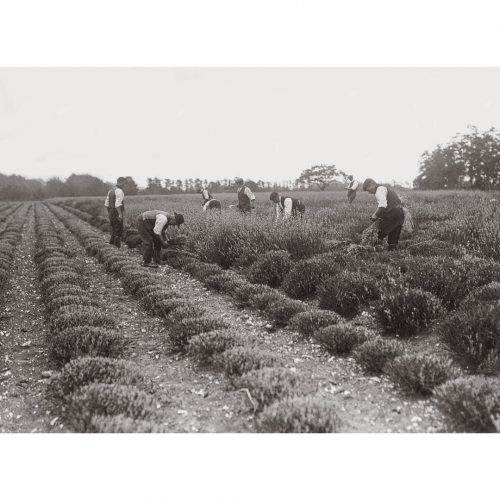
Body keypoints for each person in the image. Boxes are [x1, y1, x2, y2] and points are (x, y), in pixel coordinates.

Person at [362, 178, 405, 251]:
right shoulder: (384, 188)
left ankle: (372, 250)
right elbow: (400, 201)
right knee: (393, 235)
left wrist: (375, 215)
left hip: (393, 214)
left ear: (371, 184)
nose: (369, 192)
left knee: (377, 234)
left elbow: (382, 205)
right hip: (400, 213)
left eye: (368, 189)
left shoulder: (379, 190)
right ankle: (392, 250)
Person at [104, 177, 126, 248]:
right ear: (120, 182)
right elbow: (118, 204)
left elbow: (106, 204)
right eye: (124, 183)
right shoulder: (119, 191)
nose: (124, 185)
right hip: (117, 213)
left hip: (111, 212)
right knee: (118, 231)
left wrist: (110, 212)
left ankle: (111, 245)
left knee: (114, 229)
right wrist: (120, 214)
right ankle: (117, 248)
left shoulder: (110, 190)